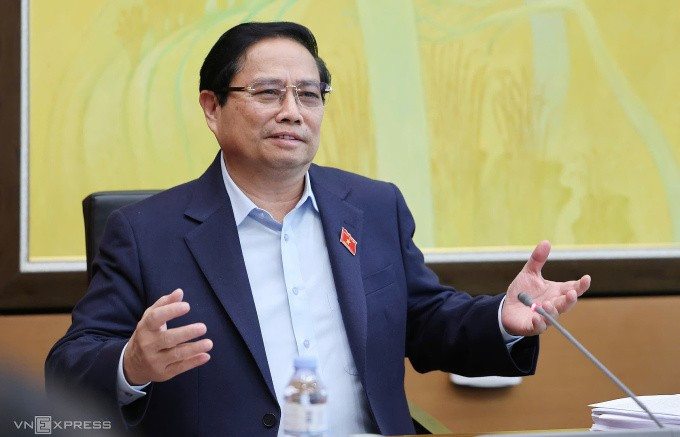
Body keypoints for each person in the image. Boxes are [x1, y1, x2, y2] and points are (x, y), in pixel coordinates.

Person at [46, 21, 590, 436]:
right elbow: (67, 368)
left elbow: (424, 320)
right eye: (268, 93)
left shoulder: (373, 207)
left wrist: (502, 318)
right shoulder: (146, 231)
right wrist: (132, 363)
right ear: (212, 108)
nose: (293, 111)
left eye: (309, 94)